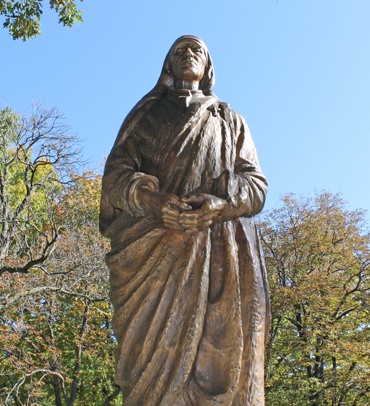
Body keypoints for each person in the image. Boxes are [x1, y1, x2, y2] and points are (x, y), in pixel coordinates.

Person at [99, 35, 270, 406]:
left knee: (220, 357)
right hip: (151, 252)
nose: (188, 54)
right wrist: (149, 199)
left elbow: (257, 187)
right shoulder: (145, 118)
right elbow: (114, 177)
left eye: (196, 50)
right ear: (167, 66)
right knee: (147, 376)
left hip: (220, 255)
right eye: (179, 50)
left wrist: (222, 204)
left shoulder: (230, 120)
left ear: (208, 68)